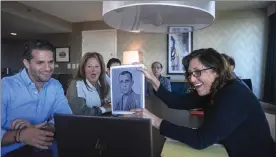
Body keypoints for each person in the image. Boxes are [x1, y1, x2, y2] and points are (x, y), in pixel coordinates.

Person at [132, 48, 275, 157]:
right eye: (190, 73)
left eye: (197, 72)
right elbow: (177, 101)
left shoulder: (234, 94)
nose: (192, 79)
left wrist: (155, 121)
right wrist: (154, 80)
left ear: (217, 71)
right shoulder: (213, 89)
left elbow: (201, 139)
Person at [1, 40, 72, 156]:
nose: (48, 68)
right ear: (26, 63)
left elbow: (65, 118)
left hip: (44, 149)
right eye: (40, 62)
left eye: (51, 62)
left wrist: (38, 129)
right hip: (10, 152)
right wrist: (21, 135)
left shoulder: (55, 85)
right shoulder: (6, 86)